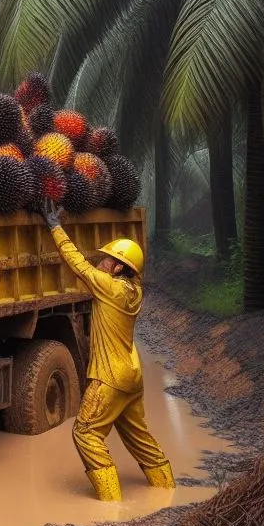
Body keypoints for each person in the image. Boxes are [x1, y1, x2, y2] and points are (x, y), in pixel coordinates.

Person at [40, 201, 175, 501]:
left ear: (117, 267)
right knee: (140, 439)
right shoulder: (133, 292)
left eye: (106, 259)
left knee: (86, 433)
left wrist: (55, 227)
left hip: (109, 378)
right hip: (132, 377)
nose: (100, 261)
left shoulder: (109, 288)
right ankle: (166, 489)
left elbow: (77, 264)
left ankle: (111, 504)